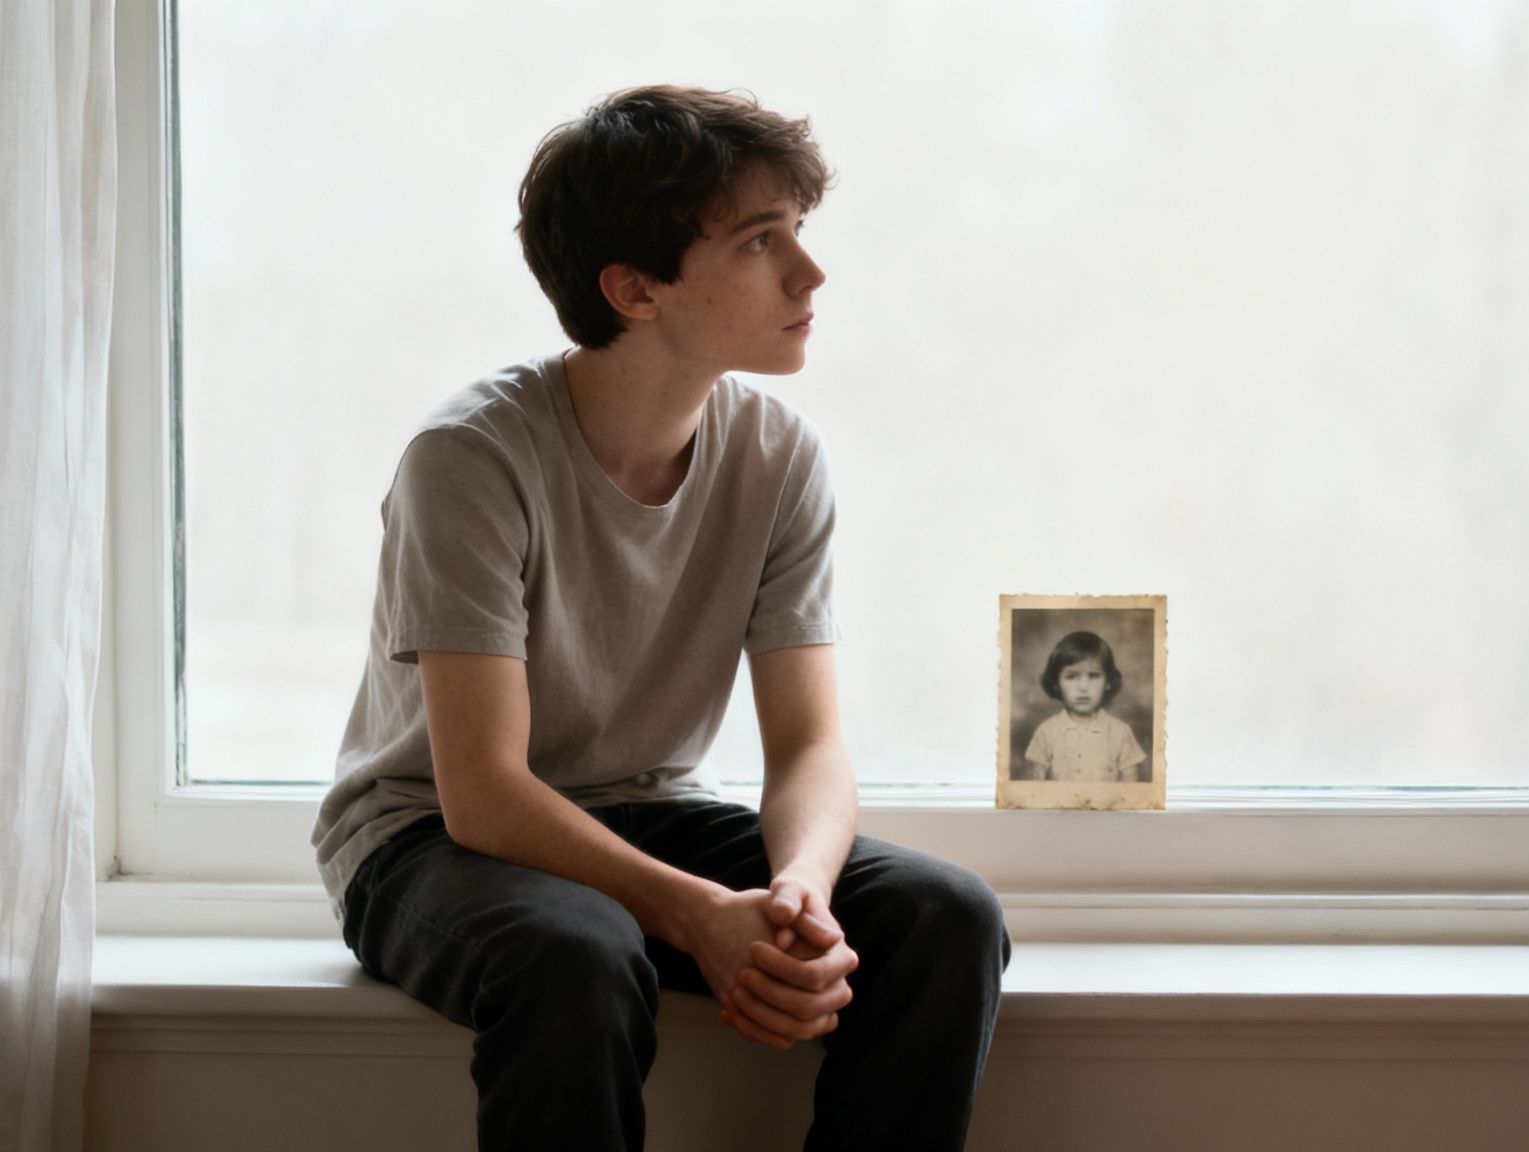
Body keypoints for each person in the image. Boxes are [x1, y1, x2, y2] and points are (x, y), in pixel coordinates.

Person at [308, 84, 1010, 1152]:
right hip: (424, 842)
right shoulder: (470, 460)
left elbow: (809, 744)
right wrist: (694, 914)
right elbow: (485, 797)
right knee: (578, 952)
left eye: (798, 233)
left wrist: (797, 901)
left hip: (641, 810)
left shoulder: (779, 457)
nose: (808, 274)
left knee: (943, 917)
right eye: (758, 241)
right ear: (635, 288)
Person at [1023, 631, 1148, 783]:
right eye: (1071, 676)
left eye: (1094, 676)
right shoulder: (1046, 733)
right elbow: (1033, 792)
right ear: (1056, 684)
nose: (1083, 687)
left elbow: (1130, 793)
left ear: (1108, 681)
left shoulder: (1121, 733)